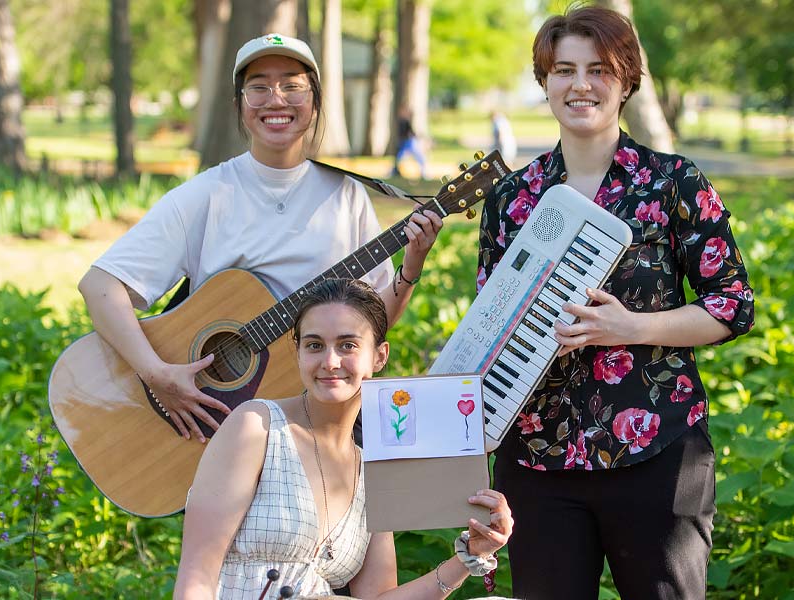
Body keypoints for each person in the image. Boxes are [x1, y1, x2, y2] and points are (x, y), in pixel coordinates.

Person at [477, 7, 754, 600]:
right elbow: (491, 325)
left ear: (627, 81)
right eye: (564, 70)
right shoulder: (511, 197)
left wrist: (629, 325)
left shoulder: (674, 181)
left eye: (599, 70)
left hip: (657, 449)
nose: (581, 85)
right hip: (538, 459)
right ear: (545, 82)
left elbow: (731, 305)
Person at [78, 33, 443, 443]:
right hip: (222, 433)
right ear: (240, 105)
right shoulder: (206, 194)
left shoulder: (347, 195)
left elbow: (370, 328)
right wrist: (157, 372)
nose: (276, 99)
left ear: (316, 103)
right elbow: (100, 285)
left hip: (319, 418)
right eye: (259, 87)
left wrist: (411, 267)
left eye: (293, 85)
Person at [173, 278, 514, 599]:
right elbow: (196, 577)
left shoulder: (373, 470)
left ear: (379, 356)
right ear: (298, 353)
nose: (330, 361)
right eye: (315, 345)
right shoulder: (256, 427)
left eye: (347, 345)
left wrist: (469, 556)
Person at [391, 107, 427, 180]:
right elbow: (405, 133)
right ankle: (395, 170)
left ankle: (423, 172)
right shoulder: (402, 122)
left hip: (407, 142)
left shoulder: (405, 121)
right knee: (400, 157)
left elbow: (410, 132)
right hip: (406, 142)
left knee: (416, 157)